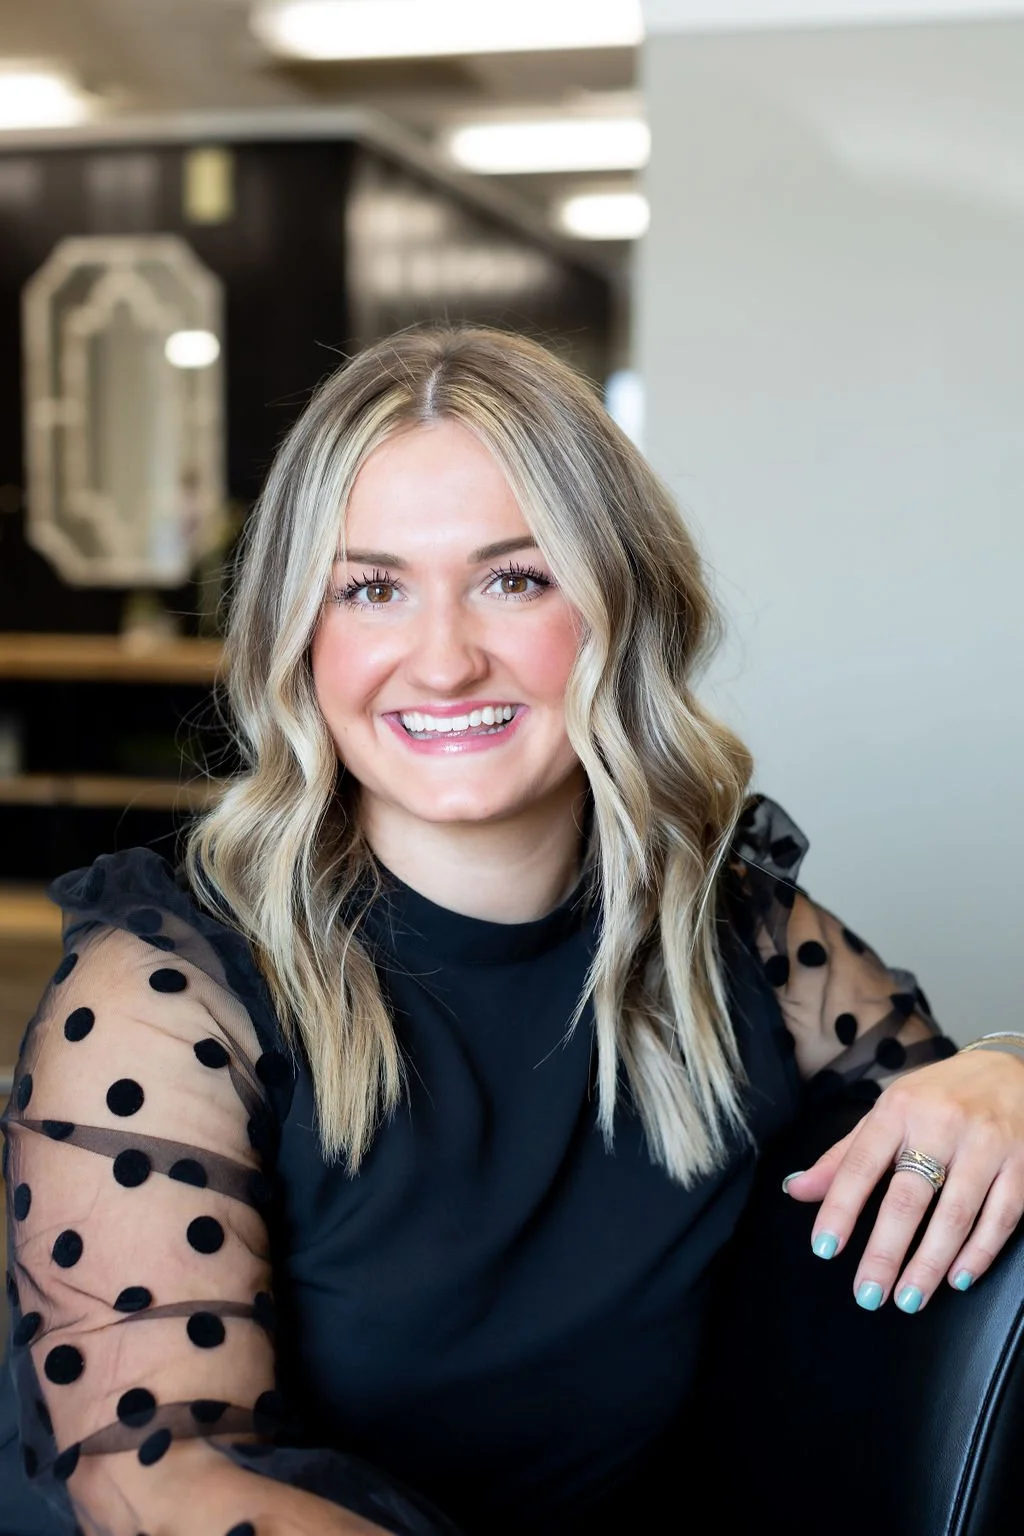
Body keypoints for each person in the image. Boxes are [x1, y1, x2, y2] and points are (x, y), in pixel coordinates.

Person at [3, 325, 1024, 1536]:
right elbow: (164, 1479)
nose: (441, 661)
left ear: (616, 609)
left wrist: (1004, 1071)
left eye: (514, 578)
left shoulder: (736, 942)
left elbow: (953, 1141)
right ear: (299, 636)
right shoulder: (168, 1000)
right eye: (371, 587)